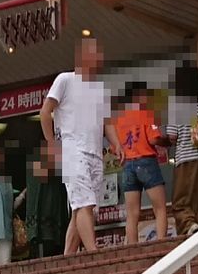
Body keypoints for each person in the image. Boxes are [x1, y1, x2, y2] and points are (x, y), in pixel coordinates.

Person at [40, 37, 124, 254]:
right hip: (72, 150)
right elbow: (45, 112)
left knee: (82, 208)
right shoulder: (65, 80)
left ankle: (67, 258)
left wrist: (116, 144)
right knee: (84, 204)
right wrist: (52, 144)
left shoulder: (100, 89)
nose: (99, 58)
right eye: (95, 53)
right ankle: (93, 252)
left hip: (95, 153)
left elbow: (107, 122)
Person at [114, 82, 170, 244]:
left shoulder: (118, 119)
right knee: (160, 208)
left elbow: (114, 147)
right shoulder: (146, 113)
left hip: (127, 166)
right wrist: (167, 142)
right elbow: (153, 139)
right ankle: (161, 244)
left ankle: (132, 248)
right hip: (146, 162)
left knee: (132, 214)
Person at [166, 67, 198, 235]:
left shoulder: (177, 103)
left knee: (181, 201)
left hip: (185, 159)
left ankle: (189, 225)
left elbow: (172, 135)